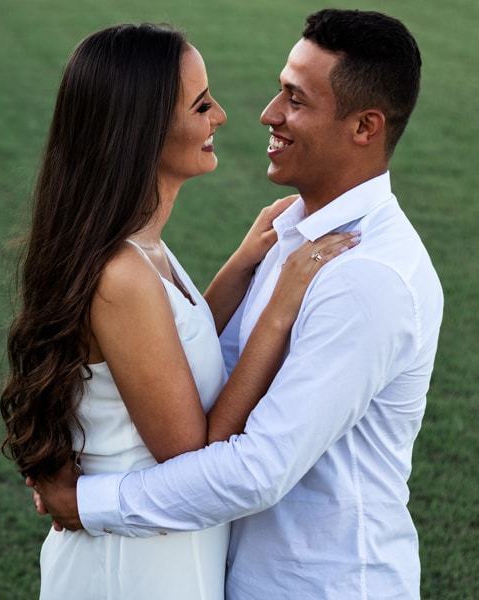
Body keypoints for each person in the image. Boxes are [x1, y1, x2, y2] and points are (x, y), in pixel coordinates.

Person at [34, 9, 443, 600]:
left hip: (316, 584)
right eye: (281, 90)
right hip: (203, 565)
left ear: (365, 126)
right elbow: (202, 376)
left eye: (295, 99)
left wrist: (86, 501)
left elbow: (256, 469)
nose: (265, 114)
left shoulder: (363, 276)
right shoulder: (291, 237)